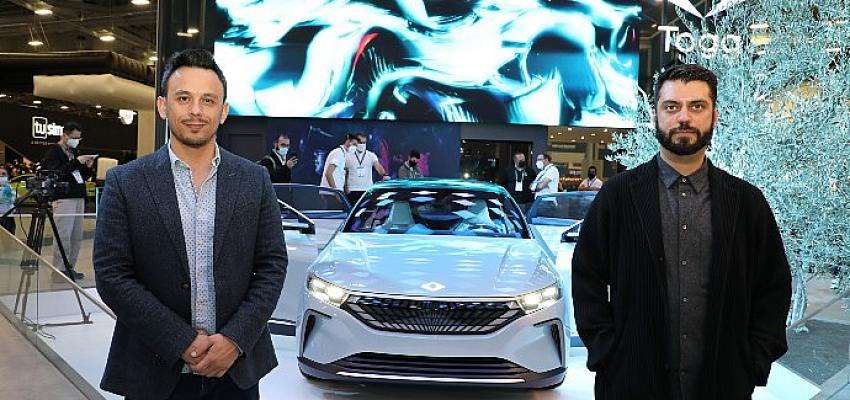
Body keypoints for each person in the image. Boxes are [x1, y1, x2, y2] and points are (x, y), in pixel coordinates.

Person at [571, 64, 791, 400]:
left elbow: (773, 287)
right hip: (631, 382)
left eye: (697, 106)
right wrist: (607, 352)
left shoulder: (746, 202)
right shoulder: (618, 196)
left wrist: (753, 360)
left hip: (724, 385)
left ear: (714, 115)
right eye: (671, 106)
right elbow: (587, 278)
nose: (684, 117)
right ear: (655, 116)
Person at [93, 49, 287, 400]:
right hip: (152, 373)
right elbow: (112, 275)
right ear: (163, 106)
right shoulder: (126, 182)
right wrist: (181, 342)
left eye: (208, 100)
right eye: (184, 98)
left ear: (223, 111)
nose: (196, 111)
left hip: (236, 373)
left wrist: (234, 339)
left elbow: (272, 266)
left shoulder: (254, 180)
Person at [41, 121, 95, 279]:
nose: (76, 141)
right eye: (74, 138)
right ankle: (59, 270)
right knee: (63, 235)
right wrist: (77, 162)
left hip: (78, 196)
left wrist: (87, 167)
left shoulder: (74, 151)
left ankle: (69, 267)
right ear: (65, 135)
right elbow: (57, 173)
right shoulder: (54, 152)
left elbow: (79, 176)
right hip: (64, 199)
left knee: (76, 236)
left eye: (79, 138)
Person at [344, 133, 387, 205]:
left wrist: (384, 174)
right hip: (352, 190)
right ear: (355, 142)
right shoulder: (348, 156)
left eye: (364, 143)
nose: (362, 145)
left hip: (367, 190)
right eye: (360, 142)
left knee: (366, 211)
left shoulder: (371, 155)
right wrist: (346, 188)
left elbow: (378, 166)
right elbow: (345, 174)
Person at [0, 167, 16, 234]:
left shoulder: (9, 188)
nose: (1, 176)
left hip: (8, 219)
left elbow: (14, 200)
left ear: (7, 176)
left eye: (3, 174)